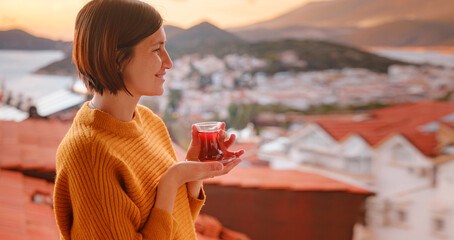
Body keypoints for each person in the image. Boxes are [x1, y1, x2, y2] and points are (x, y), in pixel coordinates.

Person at [53, 0, 244, 239]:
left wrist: (194, 170)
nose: (168, 62)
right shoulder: (89, 153)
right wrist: (172, 180)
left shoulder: (149, 122)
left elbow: (179, 225)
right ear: (117, 57)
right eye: (157, 49)